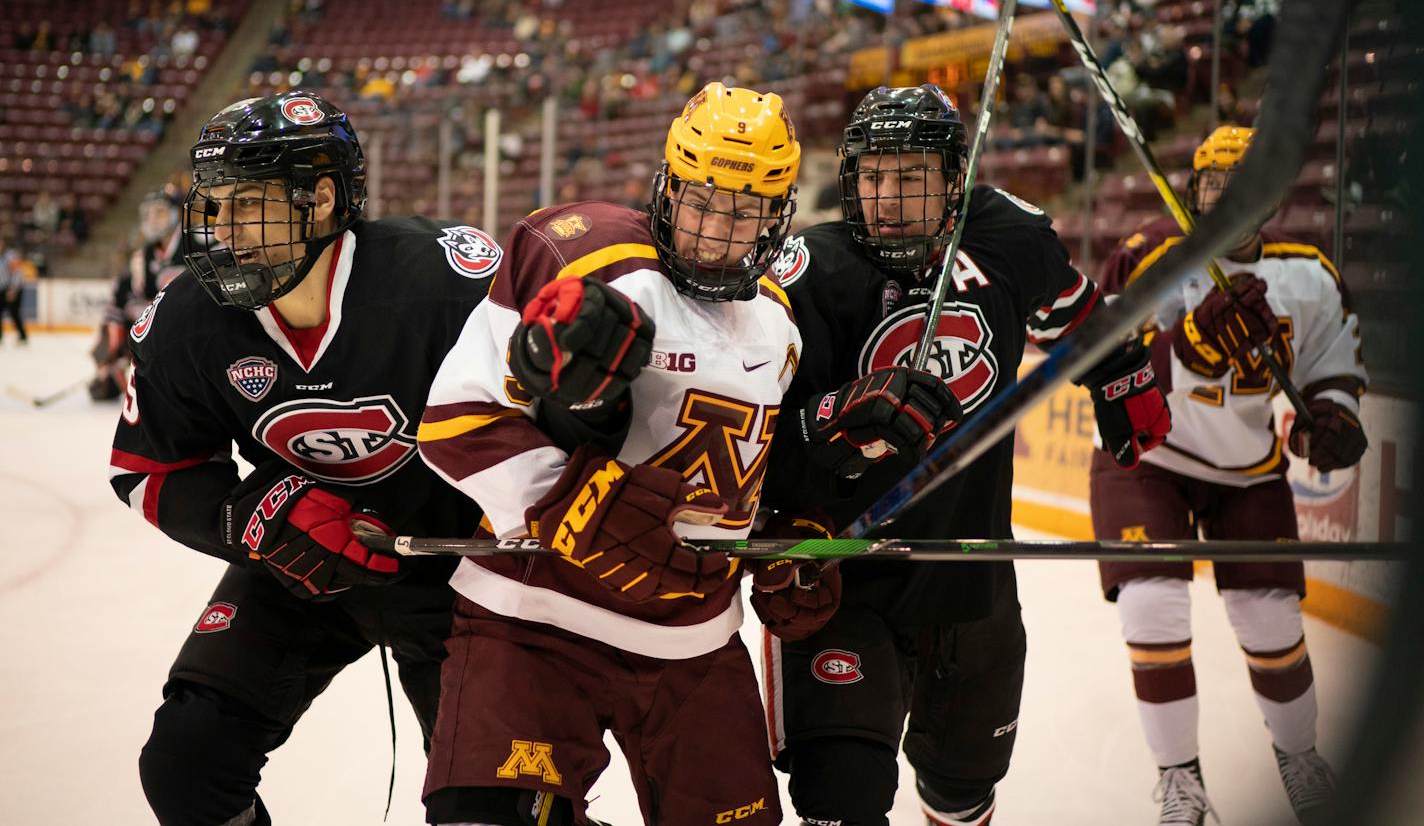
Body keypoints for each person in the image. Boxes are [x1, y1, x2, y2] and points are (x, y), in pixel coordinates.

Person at [414, 82, 956, 825]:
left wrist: (785, 546)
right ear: (668, 188)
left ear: (777, 217)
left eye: (742, 212)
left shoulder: (780, 325)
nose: (713, 230)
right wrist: (575, 503)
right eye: (701, 200)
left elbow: (753, 481)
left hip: (693, 643)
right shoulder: (583, 257)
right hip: (534, 615)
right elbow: (455, 419)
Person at [762, 83, 1172, 826]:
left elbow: (1079, 314)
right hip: (848, 581)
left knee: (962, 792)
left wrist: (1120, 372)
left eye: (910, 176)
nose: (886, 198)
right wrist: (825, 428)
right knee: (841, 799)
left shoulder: (1009, 234)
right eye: (872, 176)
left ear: (956, 176)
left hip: (972, 576)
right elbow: (763, 439)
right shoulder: (809, 272)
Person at [108, 91, 497, 826]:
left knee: (484, 806)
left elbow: (553, 416)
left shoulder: (444, 284)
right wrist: (250, 516)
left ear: (320, 199)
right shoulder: (192, 318)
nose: (222, 231)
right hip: (299, 569)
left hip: (461, 579)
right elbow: (148, 470)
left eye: (246, 204)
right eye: (213, 206)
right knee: (186, 764)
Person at [1089, 125, 1368, 826]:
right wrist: (1188, 344)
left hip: (1246, 466)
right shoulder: (1153, 255)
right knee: (1151, 605)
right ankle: (1181, 780)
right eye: (1215, 181)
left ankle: (1299, 755)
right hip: (1144, 458)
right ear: (1194, 189)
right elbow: (1101, 364)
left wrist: (1329, 415)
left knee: (1271, 618)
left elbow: (1332, 366)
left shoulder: (1306, 274)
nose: (1229, 195)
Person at [89, 191, 187, 400]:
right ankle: (113, 372)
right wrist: (116, 353)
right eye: (149, 214)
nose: (153, 219)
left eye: (159, 212)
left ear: (175, 213)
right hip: (161, 339)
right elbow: (125, 303)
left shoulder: (199, 244)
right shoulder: (142, 257)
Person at [0, 232, 27, 344]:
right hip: (2, 288)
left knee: (14, 313)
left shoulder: (11, 255)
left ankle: (22, 336)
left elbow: (17, 273)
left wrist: (13, 289)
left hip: (12, 288)